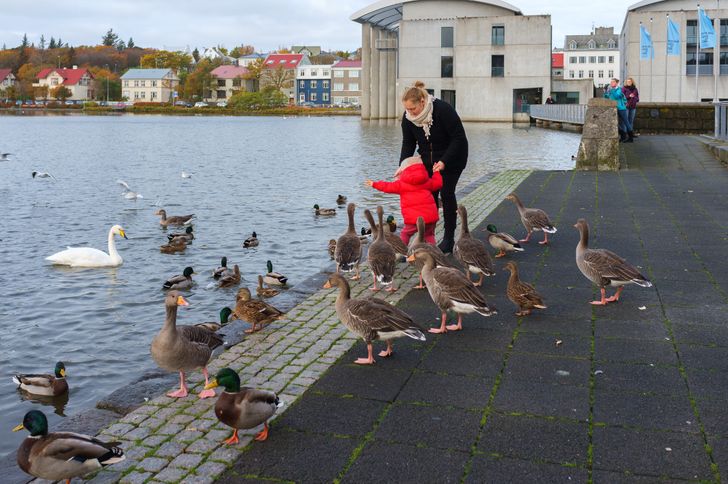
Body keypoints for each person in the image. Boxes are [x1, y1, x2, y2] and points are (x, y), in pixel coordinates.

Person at [399, 81, 468, 254]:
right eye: (407, 109)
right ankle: (427, 238)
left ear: (422, 102)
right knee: (427, 198)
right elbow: (408, 143)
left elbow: (458, 138)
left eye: (412, 108)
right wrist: (403, 166)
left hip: (453, 157)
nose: (410, 112)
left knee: (446, 193)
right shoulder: (408, 119)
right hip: (428, 161)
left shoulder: (442, 110)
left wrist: (444, 161)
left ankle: (448, 239)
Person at [365, 156, 443, 245]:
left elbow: (387, 187)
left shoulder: (401, 184)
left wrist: (374, 184)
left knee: (405, 234)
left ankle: (401, 251)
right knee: (429, 235)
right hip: (430, 217)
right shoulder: (426, 181)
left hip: (413, 219)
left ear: (404, 170)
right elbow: (438, 183)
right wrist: (436, 173)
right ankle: (433, 251)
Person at [604, 78, 632, 143]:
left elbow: (617, 96)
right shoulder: (611, 90)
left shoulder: (619, 89)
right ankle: (623, 135)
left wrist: (611, 91)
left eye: (613, 82)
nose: (611, 83)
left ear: (616, 83)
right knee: (613, 122)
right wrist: (605, 92)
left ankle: (630, 138)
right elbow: (607, 97)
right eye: (611, 82)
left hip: (621, 108)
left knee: (626, 122)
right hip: (614, 108)